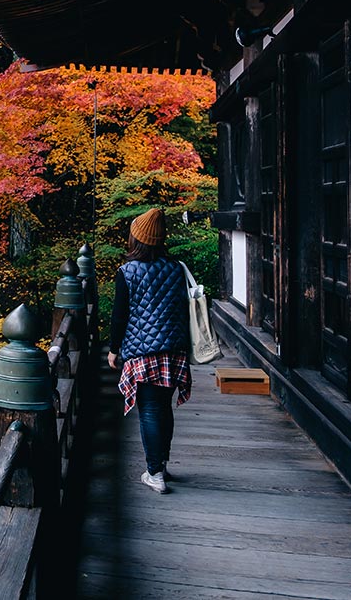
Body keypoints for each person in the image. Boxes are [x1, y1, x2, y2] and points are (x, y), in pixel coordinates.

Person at [107, 207, 192, 494]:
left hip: (143, 353)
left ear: (136, 239)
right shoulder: (175, 267)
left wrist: (113, 349)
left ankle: (154, 473)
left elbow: (120, 315)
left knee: (150, 411)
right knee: (163, 409)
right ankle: (161, 464)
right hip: (174, 351)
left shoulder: (127, 272)